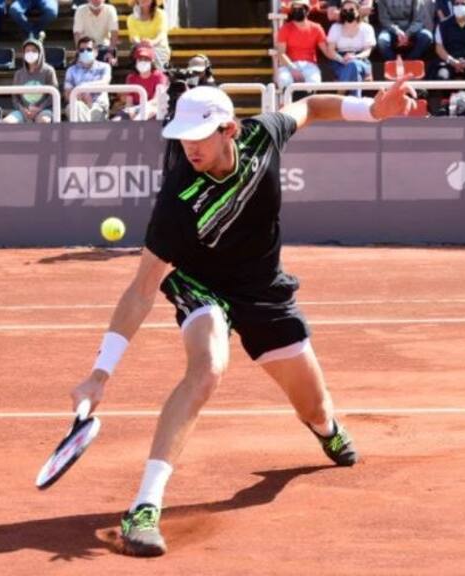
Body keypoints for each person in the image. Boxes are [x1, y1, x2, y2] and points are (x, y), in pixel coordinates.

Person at [69, 81, 416, 557]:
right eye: (182, 136)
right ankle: (144, 506)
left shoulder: (261, 137)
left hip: (262, 288)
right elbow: (141, 289)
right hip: (199, 284)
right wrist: (99, 374)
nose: (189, 145)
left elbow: (312, 106)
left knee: (314, 408)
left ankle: (326, 430)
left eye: (201, 135)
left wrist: (371, 111)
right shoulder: (178, 200)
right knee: (208, 367)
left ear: (229, 129)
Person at [275, 0, 335, 91]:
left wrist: (342, 58)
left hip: (310, 65)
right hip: (288, 65)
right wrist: (293, 69)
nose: (297, 11)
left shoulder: (316, 28)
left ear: (307, 10)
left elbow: (327, 51)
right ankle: (286, 104)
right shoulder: (285, 29)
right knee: (284, 80)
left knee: (314, 83)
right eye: (295, 8)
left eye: (301, 8)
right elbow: (281, 53)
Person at [2, 35, 58, 124]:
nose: (30, 53)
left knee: (44, 121)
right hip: (23, 111)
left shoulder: (49, 71)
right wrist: (22, 109)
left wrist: (39, 108)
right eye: (27, 51)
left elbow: (53, 94)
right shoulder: (18, 74)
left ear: (40, 53)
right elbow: (15, 97)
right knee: (6, 122)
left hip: (44, 110)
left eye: (34, 51)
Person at [326, 0, 376, 96]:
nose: (348, 12)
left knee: (353, 65)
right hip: (339, 61)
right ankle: (356, 99)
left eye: (351, 9)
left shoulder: (367, 28)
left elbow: (367, 51)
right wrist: (342, 59)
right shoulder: (335, 28)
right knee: (353, 67)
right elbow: (331, 51)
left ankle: (340, 95)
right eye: (345, 10)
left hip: (360, 59)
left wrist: (355, 57)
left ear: (358, 11)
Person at [430, 0, 465, 84]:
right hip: (448, 61)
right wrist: (452, 61)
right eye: (456, 4)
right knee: (441, 77)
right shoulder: (443, 25)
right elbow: (439, 48)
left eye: (463, 4)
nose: (459, 6)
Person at [114, 41, 167, 120]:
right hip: (134, 108)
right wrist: (130, 110)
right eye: (140, 59)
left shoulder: (160, 76)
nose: (143, 62)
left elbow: (156, 100)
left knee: (140, 117)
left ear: (151, 62)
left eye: (146, 59)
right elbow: (129, 101)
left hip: (153, 108)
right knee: (116, 120)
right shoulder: (131, 77)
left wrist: (138, 109)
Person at [64, 35, 111, 122]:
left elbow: (105, 82)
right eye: (82, 50)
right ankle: (86, 133)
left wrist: (84, 87)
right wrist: (81, 97)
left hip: (98, 105)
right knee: (76, 107)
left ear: (96, 52)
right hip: (78, 104)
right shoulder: (71, 70)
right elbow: (67, 94)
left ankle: (82, 133)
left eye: (89, 49)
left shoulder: (105, 67)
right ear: (78, 52)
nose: (85, 52)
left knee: (91, 113)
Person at [73, 0, 118, 65]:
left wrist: (110, 52)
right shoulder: (80, 10)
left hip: (104, 47)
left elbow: (114, 32)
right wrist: (80, 52)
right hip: (86, 47)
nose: (96, 1)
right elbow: (77, 34)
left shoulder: (110, 9)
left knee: (109, 60)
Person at [127, 0, 170, 68]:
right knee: (140, 54)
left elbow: (161, 34)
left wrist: (152, 42)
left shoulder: (161, 14)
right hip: (140, 47)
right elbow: (134, 37)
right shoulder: (131, 18)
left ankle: (158, 74)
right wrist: (141, 44)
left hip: (159, 47)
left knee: (153, 55)